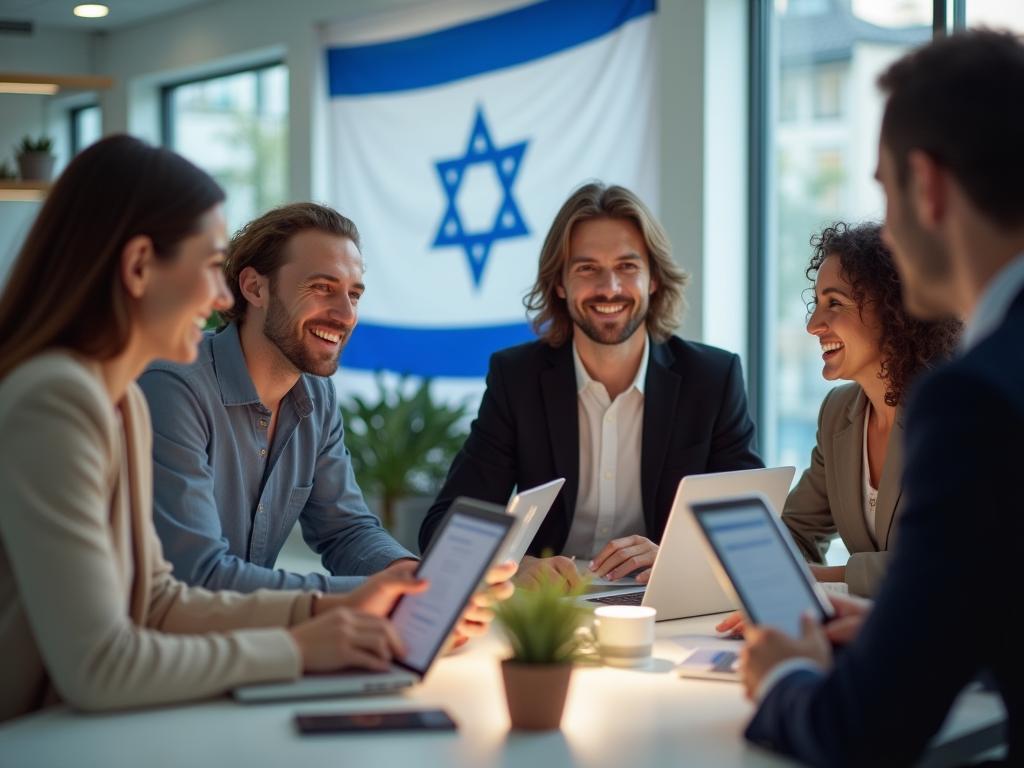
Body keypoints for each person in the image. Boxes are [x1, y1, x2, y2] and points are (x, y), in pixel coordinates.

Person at [0, 136, 442, 722]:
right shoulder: (58, 399)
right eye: (211, 267)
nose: (219, 295)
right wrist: (297, 646)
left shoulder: (119, 403)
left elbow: (158, 599)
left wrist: (362, 598)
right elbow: (100, 665)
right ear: (137, 267)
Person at [740, 30, 1024, 766]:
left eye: (885, 190)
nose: (888, 232)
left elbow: (862, 729)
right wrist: (921, 627)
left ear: (926, 188)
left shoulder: (973, 399)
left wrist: (784, 677)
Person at [420, 182, 762, 587]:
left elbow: (751, 533)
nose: (610, 288)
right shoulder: (517, 378)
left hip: (662, 603)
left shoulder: (712, 378)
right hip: (551, 609)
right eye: (587, 269)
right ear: (560, 284)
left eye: (627, 267)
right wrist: (516, 565)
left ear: (654, 279)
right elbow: (444, 527)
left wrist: (678, 558)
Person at [773, 223, 957, 597]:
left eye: (834, 303)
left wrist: (825, 578)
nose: (812, 325)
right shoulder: (839, 413)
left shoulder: (951, 412)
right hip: (872, 630)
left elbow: (948, 558)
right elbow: (796, 530)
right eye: (816, 304)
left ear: (893, 308)